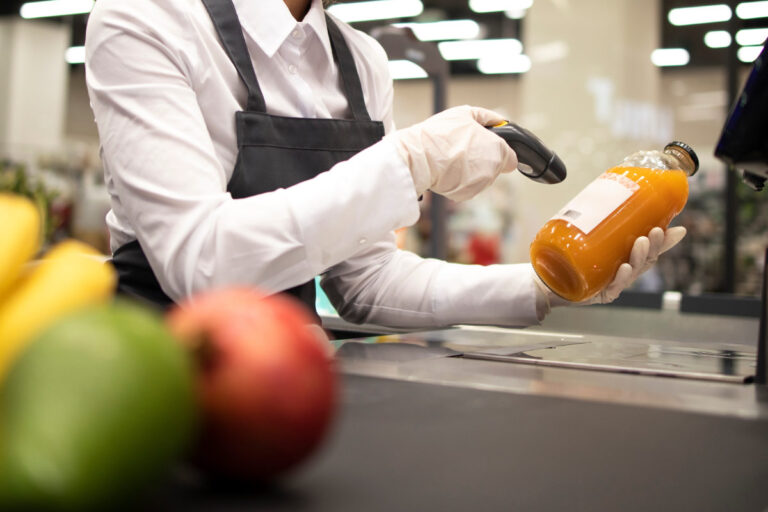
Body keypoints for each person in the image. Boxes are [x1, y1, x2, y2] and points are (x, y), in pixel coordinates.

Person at [84, 0, 685, 328]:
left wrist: (544, 286)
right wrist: (411, 159)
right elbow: (200, 263)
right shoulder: (146, 19)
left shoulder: (361, 60)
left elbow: (367, 283)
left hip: (282, 383)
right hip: (153, 372)